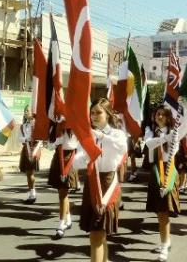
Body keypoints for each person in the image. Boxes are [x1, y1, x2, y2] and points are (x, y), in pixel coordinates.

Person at [74, 98, 127, 262]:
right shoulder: (89, 136)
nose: (94, 116)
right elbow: (78, 160)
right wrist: (82, 157)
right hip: (92, 184)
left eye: (98, 112)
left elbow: (122, 147)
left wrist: (100, 136)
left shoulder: (117, 134)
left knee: (97, 234)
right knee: (97, 234)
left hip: (107, 184)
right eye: (92, 113)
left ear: (108, 114)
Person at [143, 105, 187, 261]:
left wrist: (185, 106)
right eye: (157, 114)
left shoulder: (174, 132)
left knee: (164, 212)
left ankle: (164, 246)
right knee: (159, 211)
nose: (159, 117)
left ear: (169, 117)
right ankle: (166, 241)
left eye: (162, 114)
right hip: (155, 171)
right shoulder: (150, 131)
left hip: (168, 172)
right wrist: (164, 138)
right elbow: (149, 144)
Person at [47, 124, 79, 239]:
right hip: (58, 158)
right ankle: (68, 219)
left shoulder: (75, 125)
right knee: (62, 193)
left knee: (63, 194)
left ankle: (61, 224)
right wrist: (57, 140)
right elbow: (50, 146)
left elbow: (79, 144)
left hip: (70, 158)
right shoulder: (54, 126)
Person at [18, 105, 42, 203]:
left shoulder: (38, 124)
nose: (25, 112)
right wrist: (26, 139)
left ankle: (33, 193)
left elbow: (41, 137)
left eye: (27, 111)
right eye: (25, 111)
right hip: (26, 148)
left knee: (30, 172)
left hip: (35, 148)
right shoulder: (23, 126)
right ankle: (32, 192)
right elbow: (19, 138)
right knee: (28, 173)